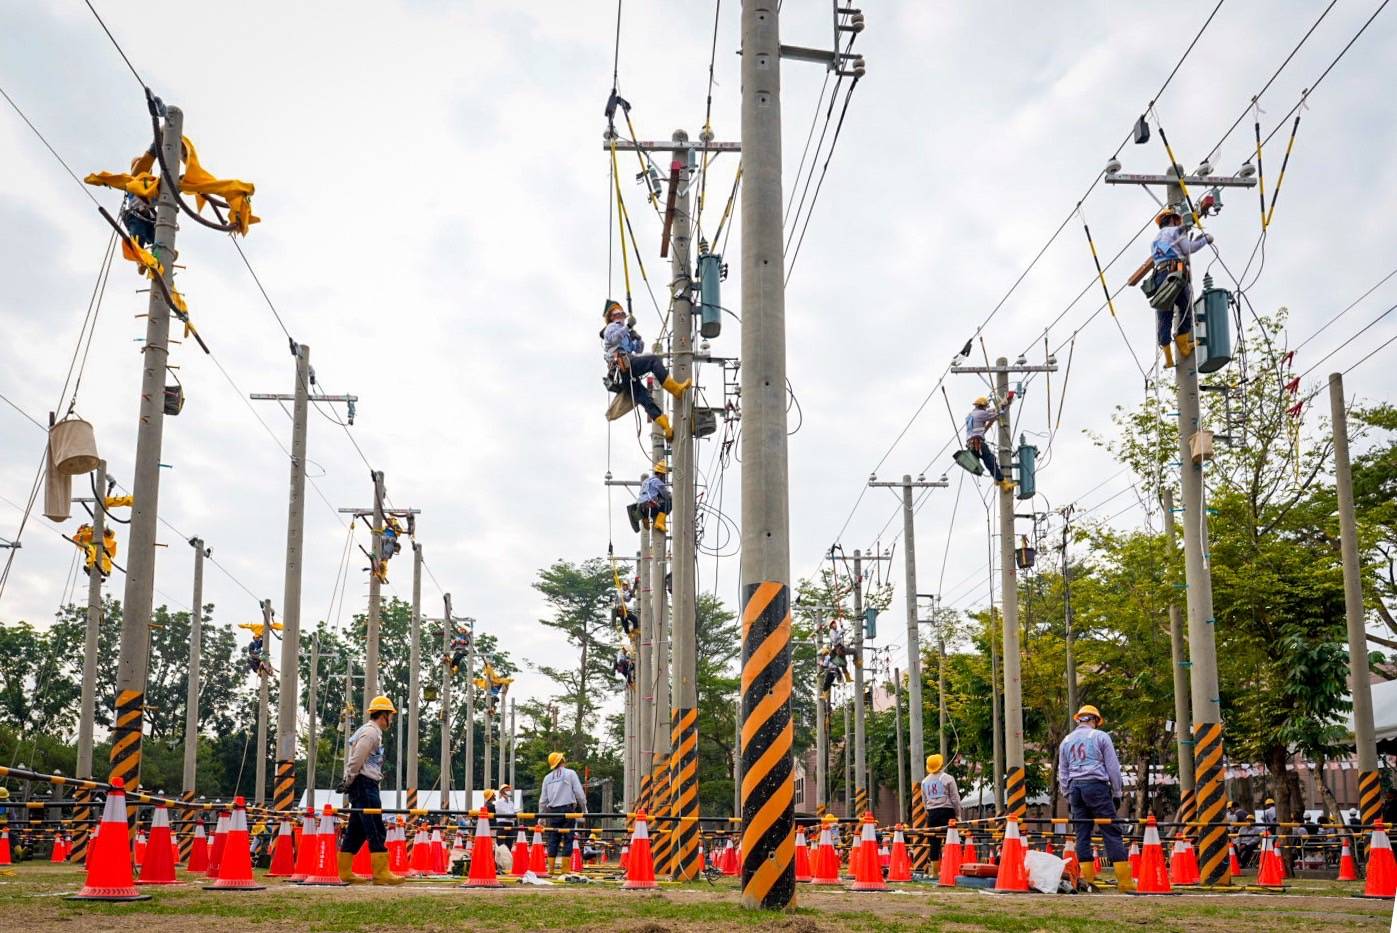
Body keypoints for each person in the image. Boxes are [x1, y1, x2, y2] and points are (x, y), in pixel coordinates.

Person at [1057, 704, 1129, 891]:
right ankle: (1125, 881)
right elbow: (1113, 767)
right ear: (1095, 720)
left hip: (1075, 788)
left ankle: (1088, 881)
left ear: (1079, 719)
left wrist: (1068, 793)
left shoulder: (1066, 741)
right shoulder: (1101, 736)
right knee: (1111, 830)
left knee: (1082, 833)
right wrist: (1117, 792)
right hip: (1096, 786)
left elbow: (1062, 771)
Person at [337, 694, 404, 885]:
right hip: (365, 784)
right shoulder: (370, 733)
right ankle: (381, 873)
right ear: (383, 715)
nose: (391, 719)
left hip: (363, 784)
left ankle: (345, 871)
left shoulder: (370, 732)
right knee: (376, 827)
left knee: (356, 830)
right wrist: (349, 779)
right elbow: (357, 759)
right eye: (390, 715)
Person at [601, 300, 691, 440]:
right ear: (611, 317)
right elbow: (614, 339)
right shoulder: (611, 328)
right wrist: (628, 327)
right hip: (623, 364)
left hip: (626, 371)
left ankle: (665, 427)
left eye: (622, 314)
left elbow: (638, 349)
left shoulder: (625, 333)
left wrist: (637, 339)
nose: (620, 317)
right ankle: (675, 389)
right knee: (653, 361)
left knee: (644, 397)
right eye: (617, 314)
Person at [1147, 206, 1213, 367]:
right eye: (1177, 219)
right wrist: (1206, 239)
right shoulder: (1175, 231)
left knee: (1164, 314)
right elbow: (1189, 248)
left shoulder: (1154, 241)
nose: (1179, 222)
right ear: (1171, 219)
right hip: (1175, 273)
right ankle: (1183, 345)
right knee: (1186, 307)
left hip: (1159, 276)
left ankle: (1169, 359)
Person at [539, 751, 587, 874]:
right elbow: (579, 793)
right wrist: (584, 809)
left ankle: (551, 870)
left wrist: (541, 816)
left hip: (553, 812)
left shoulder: (547, 778)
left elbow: (543, 800)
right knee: (568, 838)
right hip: (567, 810)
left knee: (553, 839)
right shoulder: (570, 773)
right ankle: (565, 870)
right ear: (562, 760)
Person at [921, 754, 962, 876]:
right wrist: (958, 814)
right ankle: (952, 869)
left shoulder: (924, 781)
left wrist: (929, 812)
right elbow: (955, 798)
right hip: (947, 812)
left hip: (932, 814)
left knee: (934, 843)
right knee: (952, 840)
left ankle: (934, 873)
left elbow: (924, 801)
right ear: (941, 764)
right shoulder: (948, 778)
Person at [964, 395, 1014, 490]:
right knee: (990, 460)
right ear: (982, 406)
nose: (986, 408)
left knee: (991, 460)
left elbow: (987, 419)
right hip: (977, 443)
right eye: (985, 407)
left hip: (971, 445)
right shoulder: (980, 414)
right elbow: (998, 412)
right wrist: (1007, 402)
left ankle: (997, 479)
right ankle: (1002, 482)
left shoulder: (970, 416)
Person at [629, 461, 672, 534]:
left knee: (655, 501)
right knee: (669, 502)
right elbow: (666, 495)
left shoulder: (646, 481)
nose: (664, 477)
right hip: (650, 504)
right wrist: (673, 495)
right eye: (664, 475)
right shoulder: (657, 482)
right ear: (661, 474)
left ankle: (645, 517)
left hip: (641, 504)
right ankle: (659, 522)